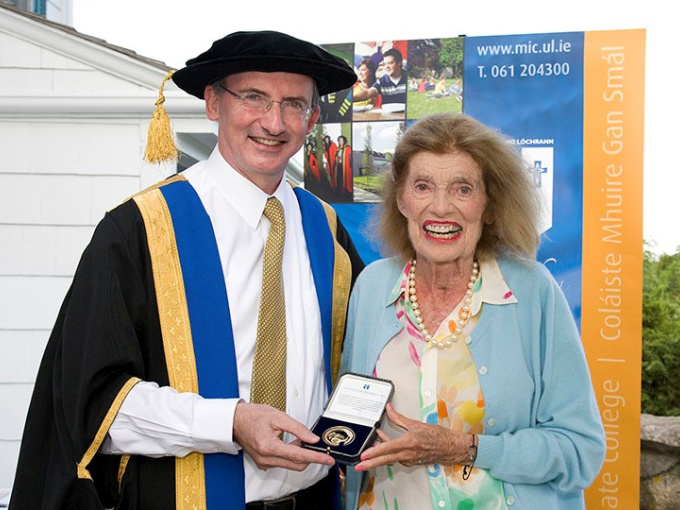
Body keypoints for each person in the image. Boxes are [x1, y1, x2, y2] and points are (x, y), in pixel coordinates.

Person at [9, 30, 364, 510]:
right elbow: (94, 405)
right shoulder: (140, 230)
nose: (273, 122)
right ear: (213, 103)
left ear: (313, 118)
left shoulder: (324, 228)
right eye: (254, 98)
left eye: (294, 104)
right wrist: (230, 423)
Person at [341, 113, 606, 509]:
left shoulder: (532, 292)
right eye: (423, 186)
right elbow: (349, 417)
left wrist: (465, 448)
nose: (441, 207)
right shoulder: (372, 286)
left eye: (463, 189)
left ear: (490, 204)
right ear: (401, 199)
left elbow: (581, 450)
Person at [334, 135, 353, 201]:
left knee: (345, 179)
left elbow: (350, 159)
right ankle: (339, 192)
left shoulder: (347, 148)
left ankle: (346, 193)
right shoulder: (338, 150)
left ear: (344, 141)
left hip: (345, 166)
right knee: (339, 179)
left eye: (341, 140)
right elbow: (336, 158)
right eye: (339, 140)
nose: (340, 141)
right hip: (339, 166)